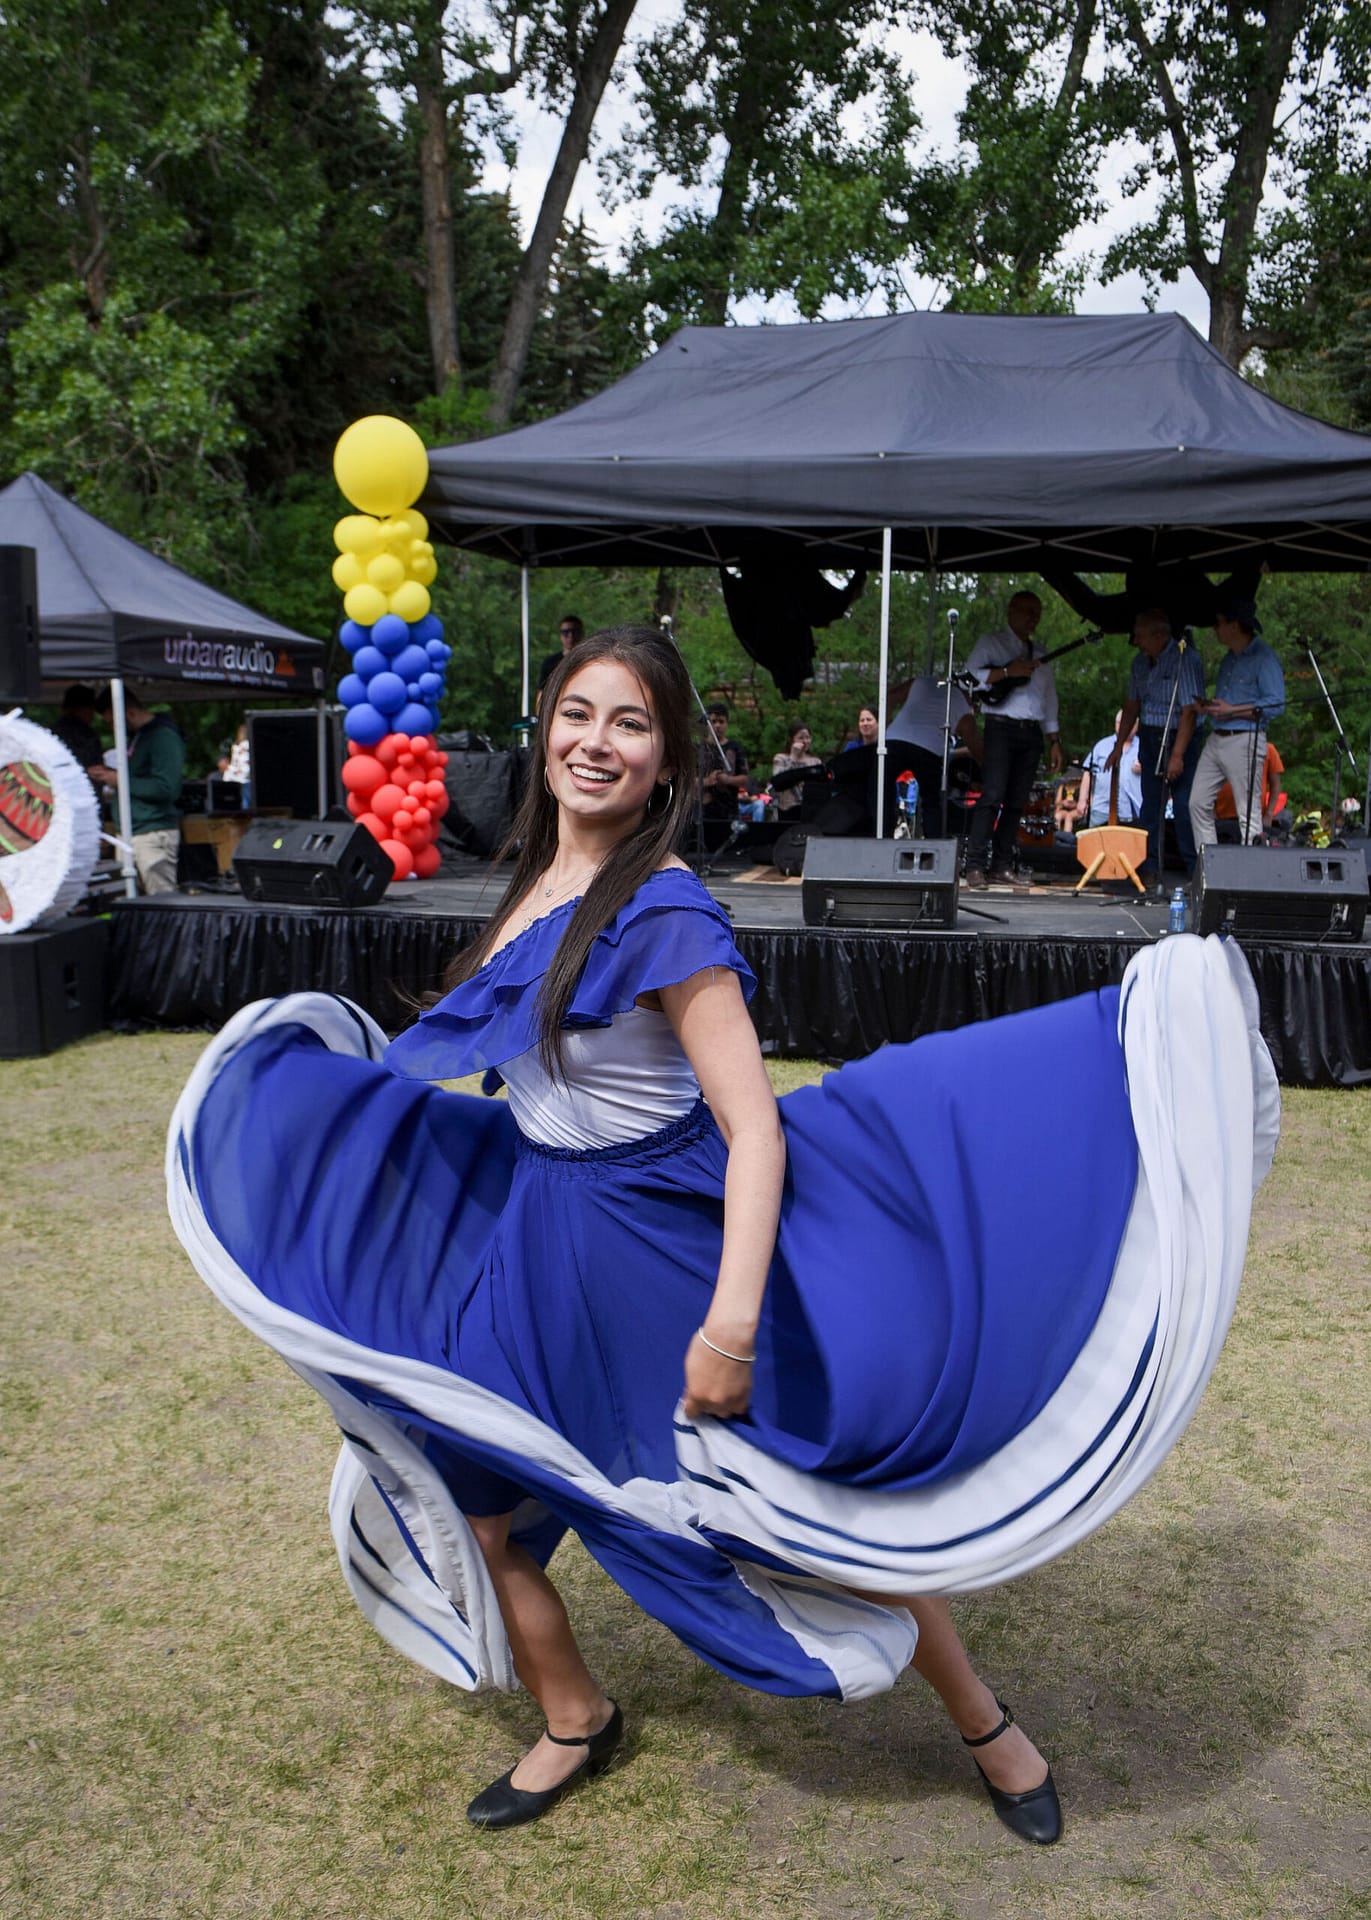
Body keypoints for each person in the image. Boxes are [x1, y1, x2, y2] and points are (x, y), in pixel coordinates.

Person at [168, 627, 1276, 1850]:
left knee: (803, 1512)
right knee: (479, 1503)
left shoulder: (666, 912)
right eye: (577, 713)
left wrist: (732, 1327)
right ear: (545, 731)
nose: (597, 742)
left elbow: (754, 1133)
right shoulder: (529, 884)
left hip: (662, 1252)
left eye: (630, 723)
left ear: (666, 761)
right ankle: (574, 1717)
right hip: (539, 1247)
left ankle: (988, 1725)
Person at [962, 592, 1063, 889]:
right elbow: (968, 677)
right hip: (1000, 728)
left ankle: (1001, 865)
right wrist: (1006, 672)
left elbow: (1049, 699)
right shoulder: (991, 643)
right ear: (1011, 611)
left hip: (1031, 732)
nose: (1034, 618)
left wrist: (1054, 739)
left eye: (1038, 613)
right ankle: (974, 864)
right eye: (1028, 611)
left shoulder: (1040, 652)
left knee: (1017, 801)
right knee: (992, 795)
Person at [1103, 608, 1207, 879]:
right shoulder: (1139, 663)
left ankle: (1195, 870)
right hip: (1150, 734)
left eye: (1141, 636)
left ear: (1160, 635)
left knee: (1183, 805)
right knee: (1150, 804)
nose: (1136, 642)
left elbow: (1190, 711)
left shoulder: (1185, 659)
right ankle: (1148, 866)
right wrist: (1118, 746)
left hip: (1181, 734)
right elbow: (1131, 705)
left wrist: (1177, 755)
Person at [1189, 600, 1286, 852]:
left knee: (1248, 811)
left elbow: (1276, 704)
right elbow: (1227, 704)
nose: (1214, 628)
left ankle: (1251, 871)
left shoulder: (1264, 657)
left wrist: (1232, 710)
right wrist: (1210, 707)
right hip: (1217, 736)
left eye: (1218, 623)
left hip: (1245, 738)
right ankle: (1210, 867)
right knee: (1197, 802)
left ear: (1235, 625)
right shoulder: (1229, 659)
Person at [90, 687, 185, 893]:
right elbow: (138, 777)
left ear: (130, 713)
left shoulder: (163, 737)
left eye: (113, 722)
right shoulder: (137, 737)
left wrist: (118, 780)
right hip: (129, 833)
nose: (113, 729)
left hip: (152, 833)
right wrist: (112, 775)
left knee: (160, 899)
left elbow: (167, 788)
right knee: (128, 898)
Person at [885, 674, 983, 839]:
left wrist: (886, 728)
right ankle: (933, 843)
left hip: (894, 740)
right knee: (932, 801)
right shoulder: (962, 705)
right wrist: (985, 776)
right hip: (928, 749)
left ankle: (881, 834)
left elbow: (891, 695)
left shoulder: (922, 681)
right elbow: (976, 746)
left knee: (882, 791)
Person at [1078, 715, 1143, 828]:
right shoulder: (1102, 745)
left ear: (1136, 726)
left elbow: (1157, 773)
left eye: (1129, 723)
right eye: (1120, 722)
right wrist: (1082, 800)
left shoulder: (1143, 747)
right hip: (1102, 809)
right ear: (1115, 724)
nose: (1123, 726)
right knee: (1097, 838)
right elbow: (1088, 772)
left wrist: (1144, 768)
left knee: (1130, 839)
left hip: (1133, 810)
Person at [1215, 740, 1285, 843]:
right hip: (1222, 820)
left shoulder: (1267, 749)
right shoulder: (1220, 748)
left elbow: (1275, 785)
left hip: (1253, 819)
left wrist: (1269, 814)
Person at [697, 701, 749, 821]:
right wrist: (707, 781)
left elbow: (745, 778)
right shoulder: (698, 749)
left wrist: (728, 780)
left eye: (721, 721)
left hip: (729, 811)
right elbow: (687, 781)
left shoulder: (735, 747)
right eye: (713, 721)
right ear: (707, 724)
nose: (717, 725)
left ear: (727, 723)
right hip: (702, 812)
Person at [52, 685, 105, 785]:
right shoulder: (87, 734)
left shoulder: (51, 732)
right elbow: (95, 769)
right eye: (91, 709)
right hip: (83, 787)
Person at [769, 722, 824, 814]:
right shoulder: (781, 759)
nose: (805, 741)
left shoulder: (815, 761)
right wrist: (793, 757)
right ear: (791, 740)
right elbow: (779, 781)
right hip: (788, 809)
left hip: (810, 809)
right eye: (800, 738)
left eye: (807, 737)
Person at [537, 616, 585, 695]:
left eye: (575, 631)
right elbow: (542, 692)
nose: (570, 636)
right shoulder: (550, 663)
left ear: (582, 633)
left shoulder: (588, 661)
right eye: (565, 632)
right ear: (560, 635)